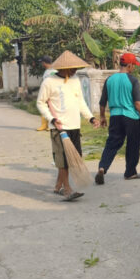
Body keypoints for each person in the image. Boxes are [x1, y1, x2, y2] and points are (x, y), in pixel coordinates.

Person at [36, 50, 100, 201]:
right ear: (62, 68)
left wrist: (90, 118)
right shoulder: (49, 82)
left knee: (71, 158)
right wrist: (51, 119)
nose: (75, 71)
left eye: (76, 68)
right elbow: (40, 103)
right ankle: (67, 189)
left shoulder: (75, 80)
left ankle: (58, 186)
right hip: (59, 127)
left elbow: (80, 102)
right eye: (72, 68)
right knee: (63, 160)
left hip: (74, 126)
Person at [95, 53, 140, 184]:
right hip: (131, 117)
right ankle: (130, 173)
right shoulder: (132, 80)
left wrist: (102, 117)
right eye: (133, 66)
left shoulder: (110, 79)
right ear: (129, 65)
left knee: (112, 143)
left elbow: (102, 102)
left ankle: (102, 167)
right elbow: (138, 104)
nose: (133, 69)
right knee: (133, 144)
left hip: (115, 116)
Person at [36, 56, 57, 131]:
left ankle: (50, 125)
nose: (41, 64)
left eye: (42, 62)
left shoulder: (54, 71)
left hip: (52, 93)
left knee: (52, 109)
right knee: (44, 108)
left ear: (44, 63)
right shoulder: (47, 71)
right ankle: (44, 125)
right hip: (46, 93)